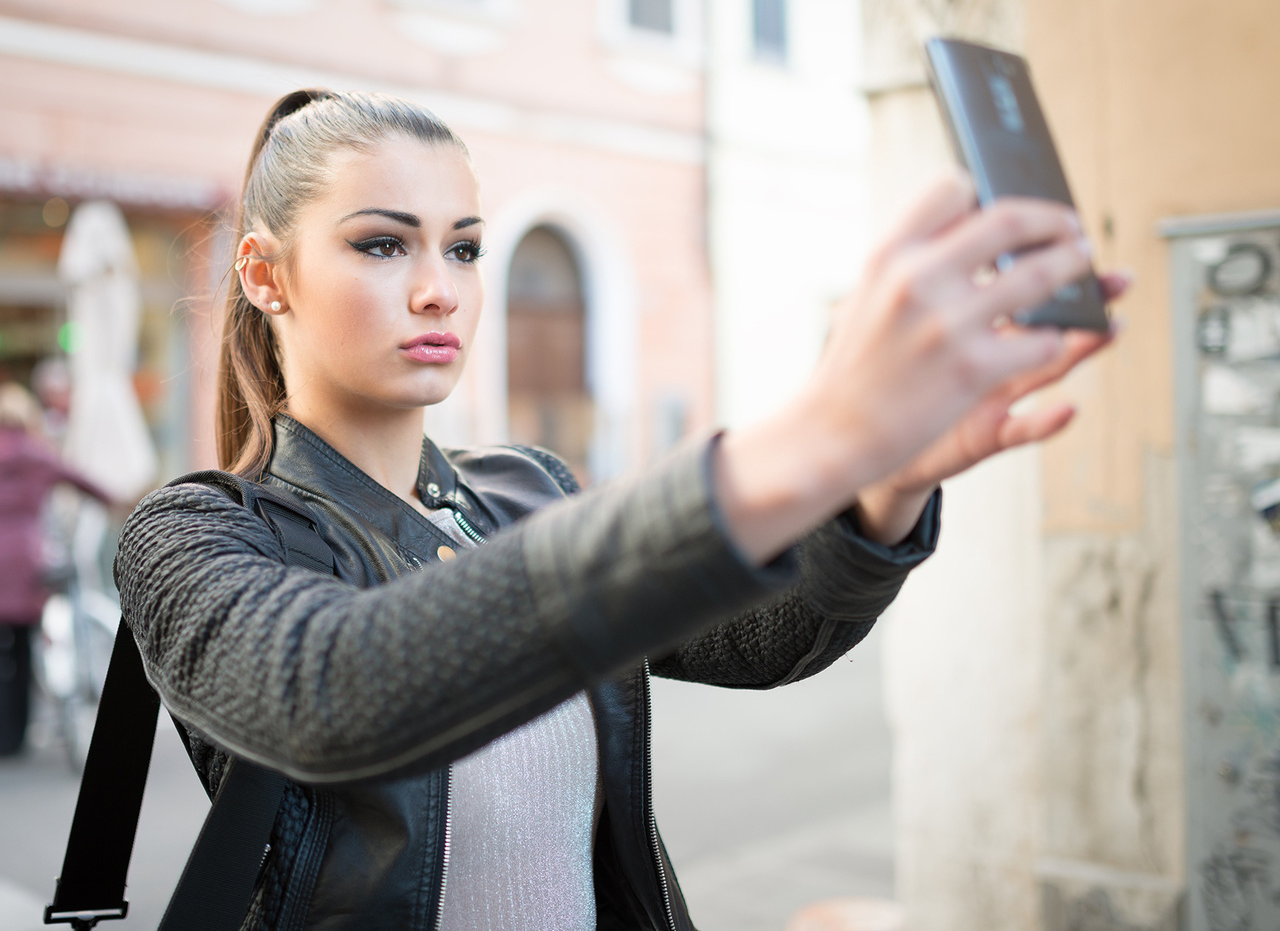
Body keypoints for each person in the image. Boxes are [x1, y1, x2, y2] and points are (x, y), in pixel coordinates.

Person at [113, 89, 1126, 931]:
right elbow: (331, 686)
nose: (438, 290)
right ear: (262, 272)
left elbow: (763, 638)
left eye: (462, 249)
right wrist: (808, 440)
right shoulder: (193, 534)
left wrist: (880, 486)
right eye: (382, 246)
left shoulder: (527, 490)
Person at [0, 382, 110, 756]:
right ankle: (16, 734)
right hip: (28, 558)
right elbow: (86, 482)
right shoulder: (37, 453)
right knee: (23, 644)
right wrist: (117, 500)